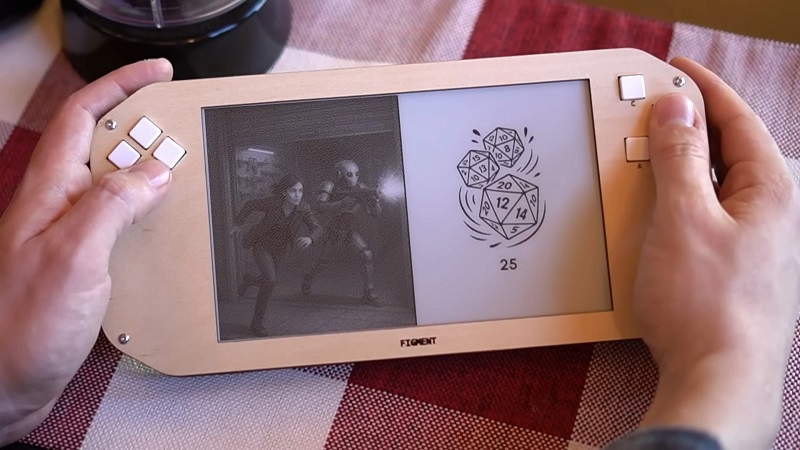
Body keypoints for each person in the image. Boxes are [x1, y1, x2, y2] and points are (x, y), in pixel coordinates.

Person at [0, 57, 797, 449]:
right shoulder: (302, 196)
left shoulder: (346, 192)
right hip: (297, 239)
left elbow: (354, 209)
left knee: (352, 261)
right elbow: (291, 210)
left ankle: (330, 292)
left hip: (337, 236)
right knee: (306, 265)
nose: (343, 176)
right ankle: (289, 300)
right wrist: (728, 366)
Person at [233, 173, 322, 337]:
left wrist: (311, 238)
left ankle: (250, 280)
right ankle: (257, 322)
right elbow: (250, 205)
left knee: (268, 282)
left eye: (300, 191)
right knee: (270, 280)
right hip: (262, 245)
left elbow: (317, 227)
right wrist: (238, 224)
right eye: (293, 191)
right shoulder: (272, 203)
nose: (297, 195)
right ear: (284, 192)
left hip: (281, 249)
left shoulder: (303, 208)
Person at [301, 160, 382, 302]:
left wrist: (374, 201)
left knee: (366, 255)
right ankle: (308, 279)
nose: (354, 178)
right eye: (349, 174)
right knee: (321, 263)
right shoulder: (330, 186)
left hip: (350, 231)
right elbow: (319, 207)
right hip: (333, 231)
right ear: (339, 174)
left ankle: (369, 292)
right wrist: (340, 204)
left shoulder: (362, 188)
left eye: (356, 174)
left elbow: (375, 213)